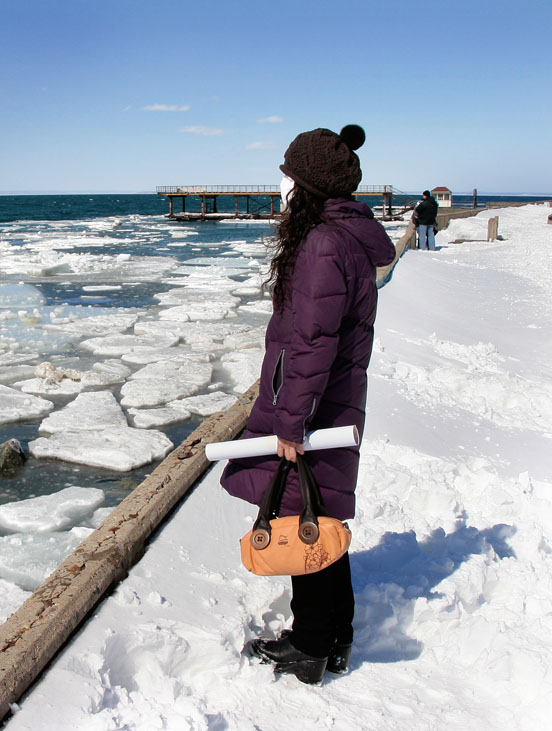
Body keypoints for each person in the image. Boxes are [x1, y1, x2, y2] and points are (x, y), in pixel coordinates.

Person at [220, 125, 396, 684]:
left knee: (302, 524)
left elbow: (312, 343)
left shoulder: (322, 243)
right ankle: (335, 635)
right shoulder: (343, 238)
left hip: (313, 408)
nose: (281, 184)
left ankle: (310, 645)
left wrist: (291, 422)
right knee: (319, 517)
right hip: (332, 401)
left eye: (288, 174)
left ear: (309, 185)